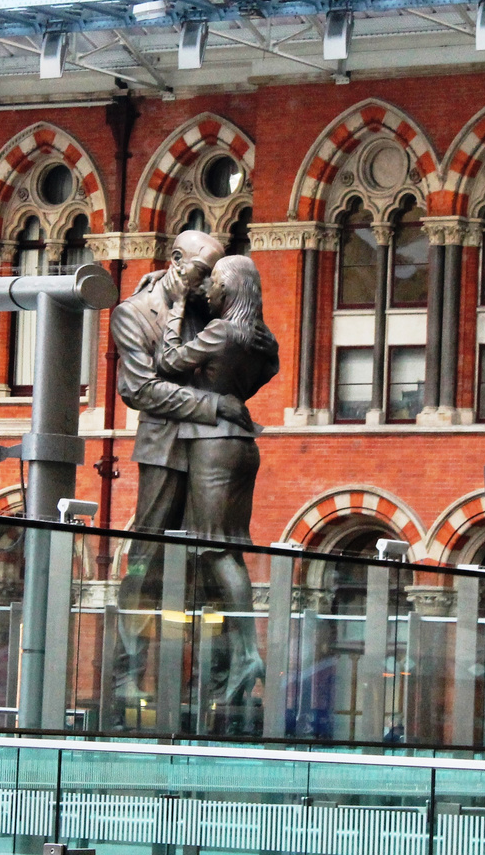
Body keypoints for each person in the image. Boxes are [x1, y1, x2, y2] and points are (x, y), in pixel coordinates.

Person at [108, 231, 256, 710]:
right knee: (145, 561)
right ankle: (127, 676)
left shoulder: (208, 306)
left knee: (211, 560)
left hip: (211, 450)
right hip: (165, 450)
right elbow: (140, 390)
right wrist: (215, 405)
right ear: (175, 260)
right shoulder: (132, 313)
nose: (207, 281)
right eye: (201, 269)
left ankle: (217, 679)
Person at [156, 255, 279, 711]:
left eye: (213, 286)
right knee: (228, 546)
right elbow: (269, 371)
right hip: (243, 443)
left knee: (216, 546)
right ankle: (240, 654)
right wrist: (232, 392)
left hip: (212, 444)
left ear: (227, 291)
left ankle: (247, 653)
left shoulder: (220, 332)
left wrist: (175, 308)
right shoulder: (259, 338)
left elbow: (168, 361)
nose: (207, 292)